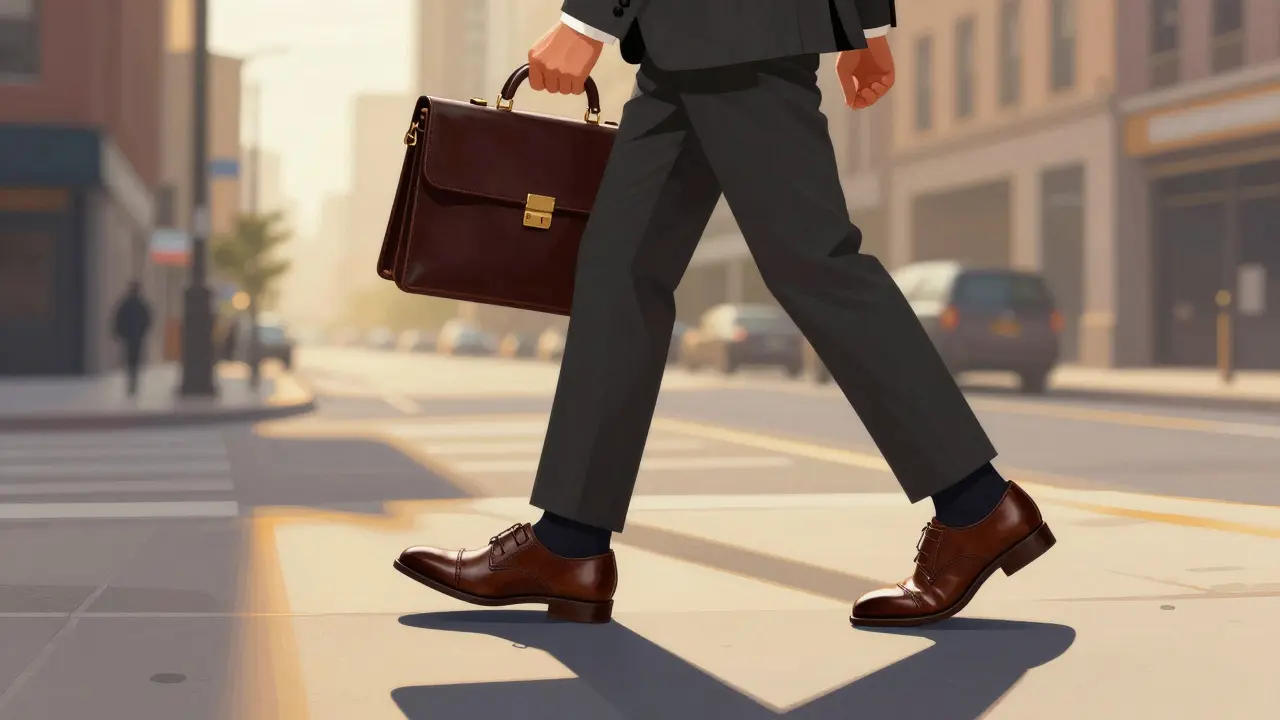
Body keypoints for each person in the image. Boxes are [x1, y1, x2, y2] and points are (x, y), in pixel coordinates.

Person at [395, 0, 1056, 628]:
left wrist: (587, 19)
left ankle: (976, 503)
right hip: (688, 41)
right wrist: (865, 22)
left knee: (813, 263)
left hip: (734, 30)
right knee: (620, 271)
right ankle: (571, 543)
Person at [112, 280, 152, 398]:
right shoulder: (139, 305)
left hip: (130, 336)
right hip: (135, 336)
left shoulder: (127, 304)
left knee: (130, 359)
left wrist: (119, 332)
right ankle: (133, 383)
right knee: (135, 360)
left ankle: (131, 383)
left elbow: (118, 319)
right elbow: (147, 319)